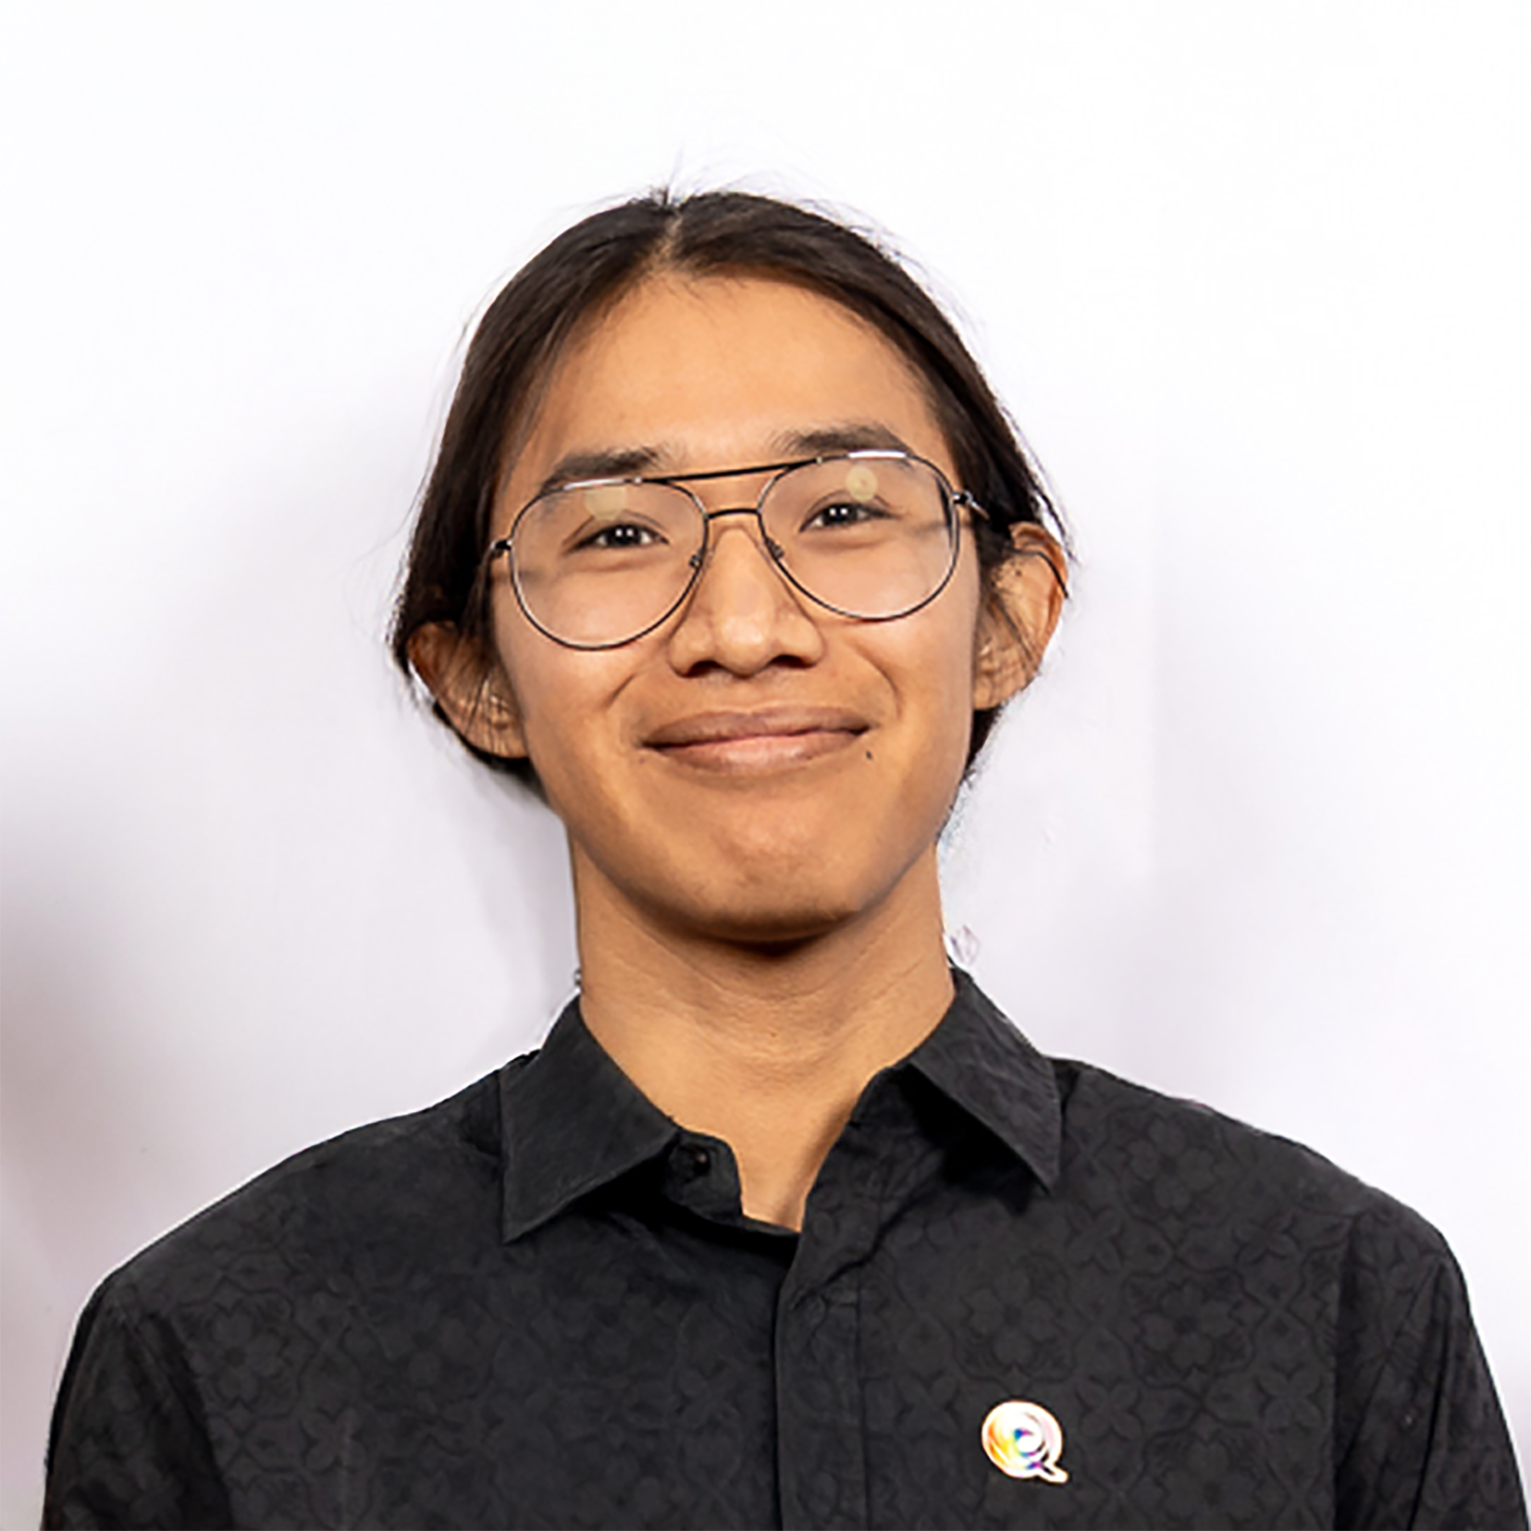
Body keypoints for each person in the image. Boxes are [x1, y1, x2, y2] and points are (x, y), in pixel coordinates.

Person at [44, 190, 1525, 1529]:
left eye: (843, 511)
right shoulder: (229, 1351)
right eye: (619, 533)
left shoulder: (1322, 1301)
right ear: (476, 674)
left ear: (1008, 615)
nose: (743, 627)